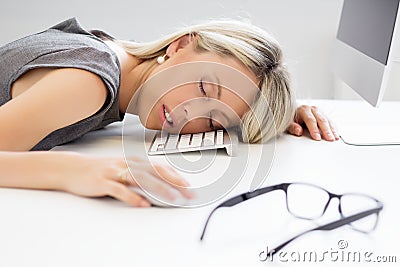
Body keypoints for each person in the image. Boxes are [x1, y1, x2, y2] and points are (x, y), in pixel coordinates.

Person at [0, 18, 339, 207]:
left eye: (212, 119)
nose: (186, 114)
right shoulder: (90, 82)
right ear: (179, 45)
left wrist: (277, 111)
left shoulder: (113, 58)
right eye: (205, 87)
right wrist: (72, 171)